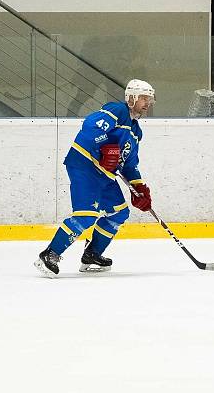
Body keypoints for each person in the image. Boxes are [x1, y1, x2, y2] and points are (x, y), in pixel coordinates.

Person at [34, 79, 155, 277]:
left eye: (149, 99)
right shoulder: (118, 111)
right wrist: (103, 148)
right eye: (143, 98)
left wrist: (139, 187)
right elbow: (90, 127)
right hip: (84, 165)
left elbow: (129, 164)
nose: (147, 103)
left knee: (119, 213)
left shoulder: (135, 131)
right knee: (86, 215)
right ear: (131, 98)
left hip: (104, 174)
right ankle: (49, 254)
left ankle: (92, 254)